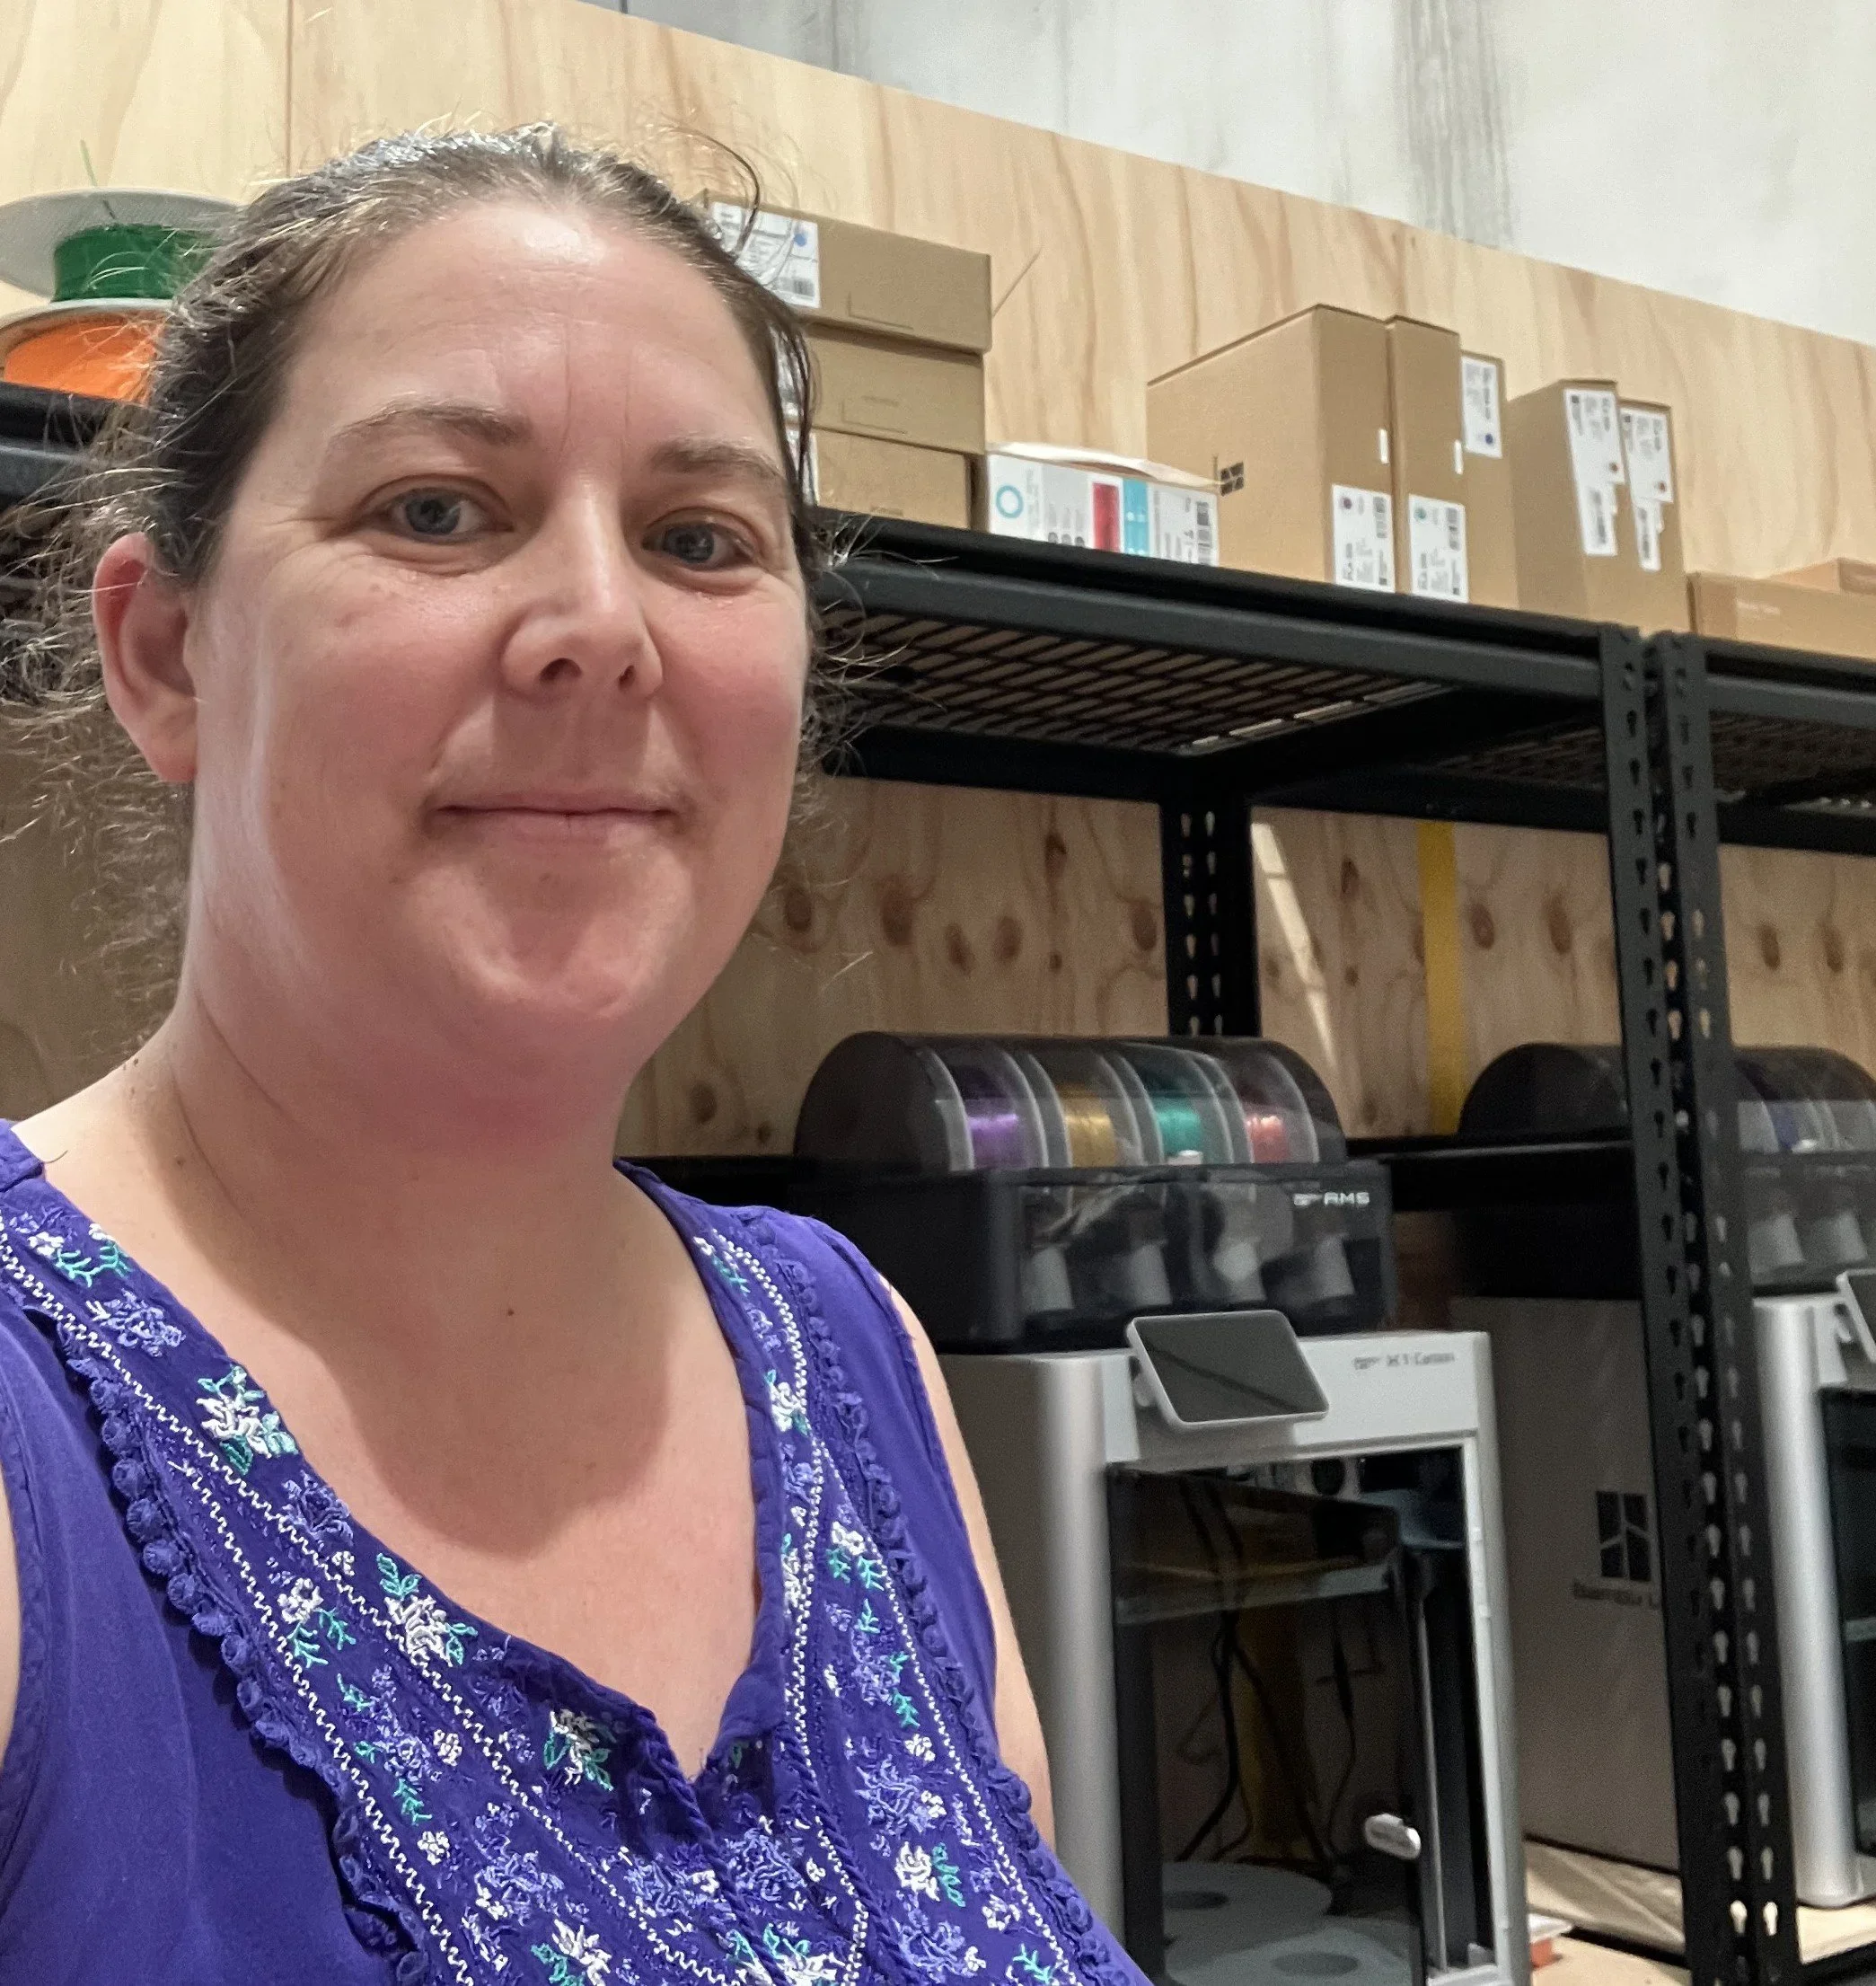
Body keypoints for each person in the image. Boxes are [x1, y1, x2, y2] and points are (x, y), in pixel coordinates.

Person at [0, 126, 1142, 1984]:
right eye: (438, 510)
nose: (604, 629)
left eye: (700, 540)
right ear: (166, 655)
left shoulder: (849, 1350)